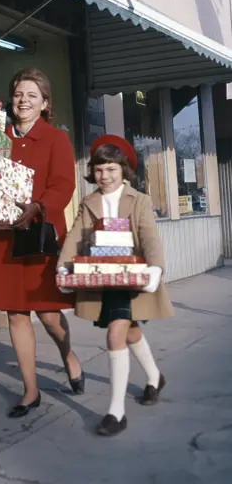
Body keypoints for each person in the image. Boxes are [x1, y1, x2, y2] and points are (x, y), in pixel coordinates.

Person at [0, 68, 84, 418]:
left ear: (45, 103)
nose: (23, 100)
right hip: (2, 235)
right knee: (15, 314)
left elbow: (63, 185)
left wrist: (39, 207)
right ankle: (30, 391)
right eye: (19, 93)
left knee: (49, 315)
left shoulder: (56, 139)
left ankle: (67, 354)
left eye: (31, 95)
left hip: (39, 234)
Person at [59, 135, 174, 437]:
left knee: (115, 334)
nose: (105, 176)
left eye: (111, 169)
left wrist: (155, 268)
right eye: (98, 170)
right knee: (131, 330)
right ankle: (154, 377)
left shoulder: (140, 200)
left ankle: (115, 412)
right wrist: (64, 264)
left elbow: (149, 238)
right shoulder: (89, 202)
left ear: (123, 170)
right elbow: (75, 235)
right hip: (101, 276)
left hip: (131, 275)